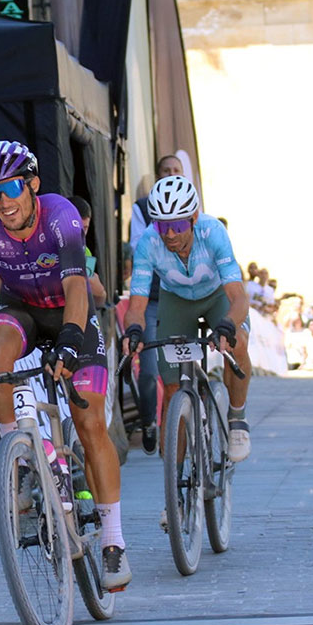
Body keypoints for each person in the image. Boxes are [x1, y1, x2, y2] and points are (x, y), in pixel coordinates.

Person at [0, 141, 131, 591]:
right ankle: (20, 461)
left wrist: (70, 341)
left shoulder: (60, 216)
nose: (2, 200)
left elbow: (79, 289)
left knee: (89, 421)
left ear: (33, 185)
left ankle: (113, 541)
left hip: (69, 314)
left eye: (11, 188)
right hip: (20, 310)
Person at [121, 176, 253, 466]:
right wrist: (133, 330)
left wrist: (228, 325)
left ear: (193, 218)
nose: (169, 234)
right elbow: (137, 304)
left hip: (216, 295)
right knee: (171, 392)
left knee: (238, 342)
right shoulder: (148, 243)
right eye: (162, 225)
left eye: (178, 225)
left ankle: (237, 418)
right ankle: (175, 500)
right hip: (177, 300)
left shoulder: (213, 232)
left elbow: (239, 298)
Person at [127, 154, 185, 456]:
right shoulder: (142, 208)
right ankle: (149, 421)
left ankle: (183, 424)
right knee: (148, 368)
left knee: (181, 368)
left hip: (184, 299)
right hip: (151, 299)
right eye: (166, 171)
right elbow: (139, 249)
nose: (171, 174)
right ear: (158, 175)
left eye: (176, 170)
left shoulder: (193, 207)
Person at [69, 195, 108, 305]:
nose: (81, 234)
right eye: (76, 228)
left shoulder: (86, 252)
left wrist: (100, 292)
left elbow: (97, 299)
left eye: (85, 228)